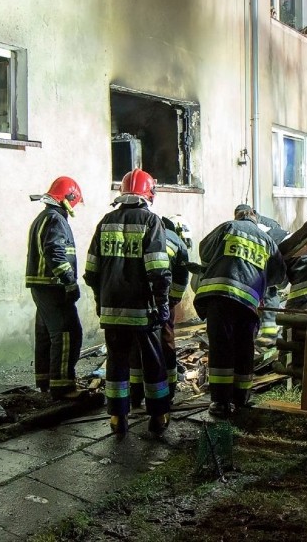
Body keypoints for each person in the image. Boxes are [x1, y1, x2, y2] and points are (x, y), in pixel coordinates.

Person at [83, 169, 172, 437]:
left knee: (117, 362)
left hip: (111, 310)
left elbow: (91, 270)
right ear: (148, 194)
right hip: (142, 310)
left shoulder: (105, 222)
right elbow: (157, 268)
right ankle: (158, 416)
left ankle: (117, 418)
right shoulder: (151, 221)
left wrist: (101, 300)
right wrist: (162, 303)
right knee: (153, 362)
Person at [194, 206, 285, 417]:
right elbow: (278, 276)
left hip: (219, 297)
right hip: (248, 303)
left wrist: (214, 264)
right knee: (245, 347)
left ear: (237, 216)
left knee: (221, 347)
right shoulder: (268, 240)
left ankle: (220, 402)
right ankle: (241, 396)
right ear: (255, 217)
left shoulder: (227, 228)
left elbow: (205, 251)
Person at [25, 176, 86, 401]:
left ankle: (45, 381)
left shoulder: (43, 217)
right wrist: (69, 281)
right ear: (68, 199)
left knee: (46, 334)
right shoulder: (55, 220)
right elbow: (55, 252)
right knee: (67, 333)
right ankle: (63, 386)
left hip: (41, 286)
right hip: (53, 286)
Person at [129, 215, 191, 407]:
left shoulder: (143, 234)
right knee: (165, 342)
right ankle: (168, 391)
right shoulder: (177, 242)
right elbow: (181, 277)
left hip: (136, 300)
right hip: (161, 299)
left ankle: (136, 394)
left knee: (137, 345)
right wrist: (172, 299)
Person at [234, 204, 289, 348]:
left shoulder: (259, 227)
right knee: (267, 291)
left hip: (279, 257)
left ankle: (270, 334)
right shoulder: (266, 222)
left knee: (269, 292)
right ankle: (268, 331)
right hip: (280, 255)